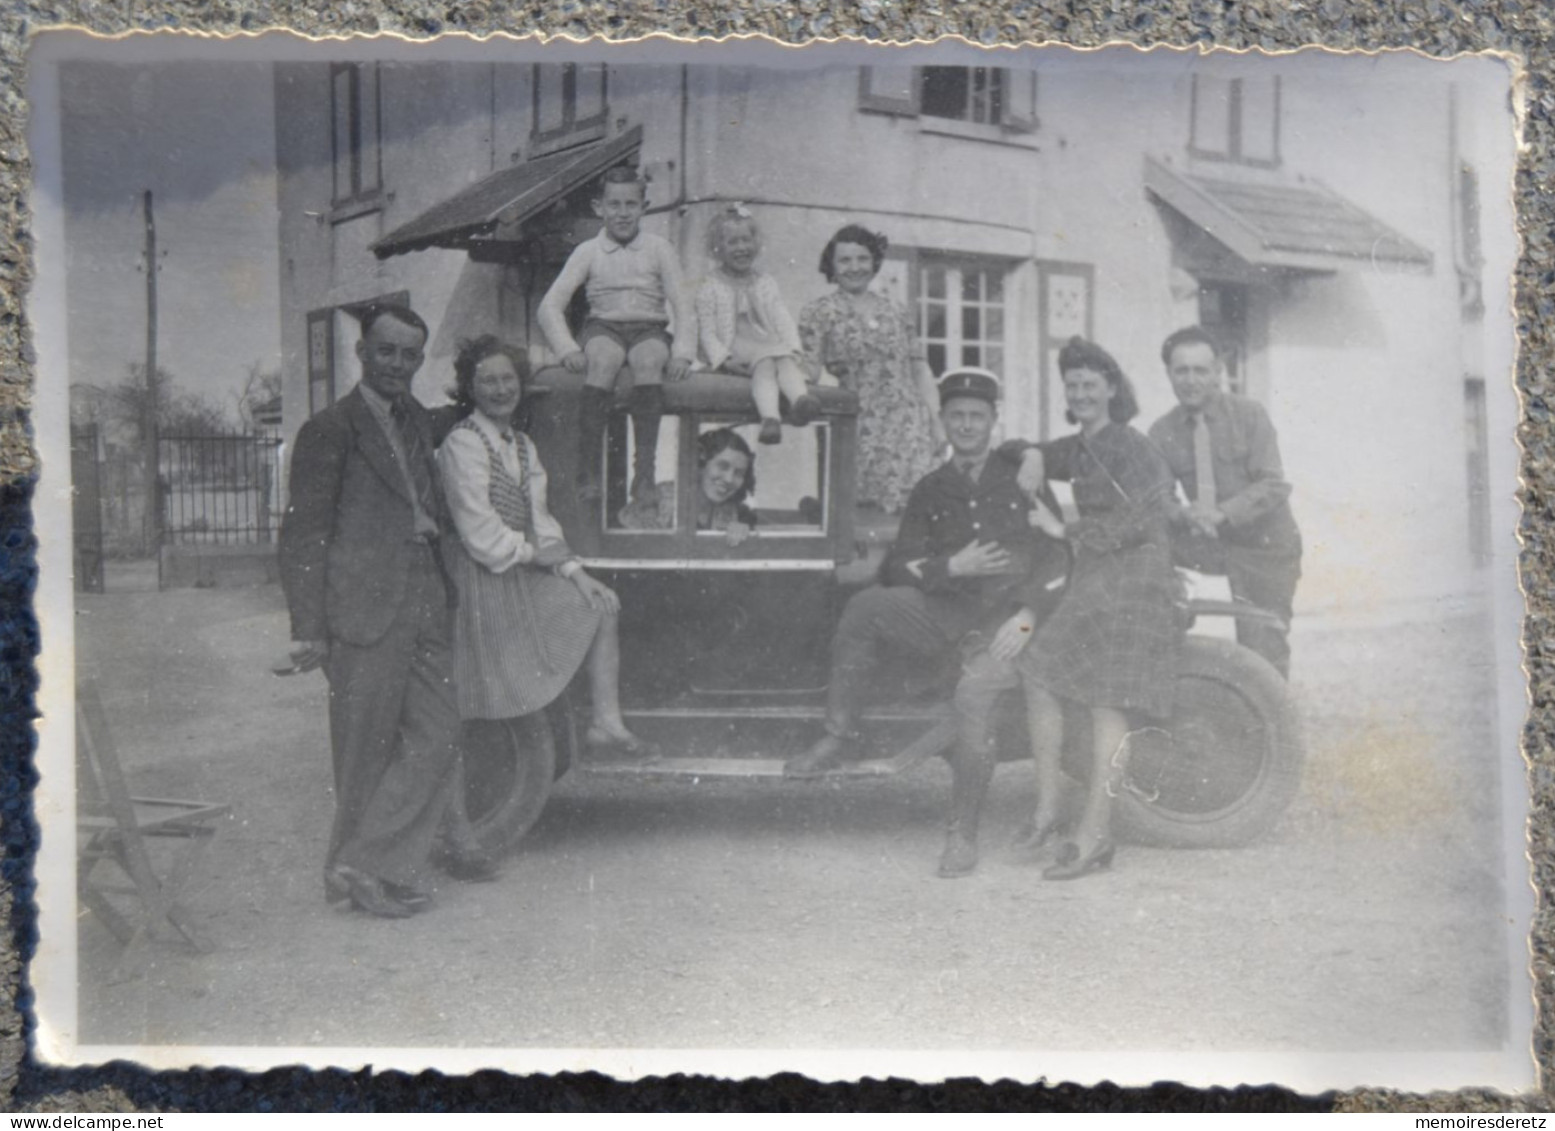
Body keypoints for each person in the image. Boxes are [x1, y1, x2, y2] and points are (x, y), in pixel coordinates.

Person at [785, 368, 1069, 879]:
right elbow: (899, 564)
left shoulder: (1021, 479)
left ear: (992, 420)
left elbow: (1058, 558)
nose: (966, 425)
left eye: (976, 416)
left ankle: (962, 833)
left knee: (975, 698)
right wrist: (951, 567)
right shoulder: (932, 488)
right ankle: (838, 733)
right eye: (956, 415)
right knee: (867, 607)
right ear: (943, 420)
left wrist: (1027, 617)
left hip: (1003, 626)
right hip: (946, 614)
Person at [279, 302, 491, 920]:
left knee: (439, 731)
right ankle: (368, 873)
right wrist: (309, 629)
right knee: (364, 748)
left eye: (409, 354)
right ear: (363, 353)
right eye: (386, 351)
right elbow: (304, 535)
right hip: (363, 608)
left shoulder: (420, 422)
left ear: (420, 359)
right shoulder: (330, 430)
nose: (397, 363)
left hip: (427, 592)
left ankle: (364, 861)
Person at [436, 335, 650, 757]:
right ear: (470, 389)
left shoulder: (521, 445)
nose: (501, 390)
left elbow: (541, 522)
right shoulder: (463, 443)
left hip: (515, 568)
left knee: (601, 605)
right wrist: (536, 555)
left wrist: (578, 574)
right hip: (479, 579)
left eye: (508, 379)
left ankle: (606, 722)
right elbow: (479, 534)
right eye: (488, 382)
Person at [1016, 337, 1181, 882]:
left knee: (1108, 704)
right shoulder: (1078, 447)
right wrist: (1034, 454)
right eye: (1073, 386)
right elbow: (1013, 449)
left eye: (1091, 385)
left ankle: (1095, 834)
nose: (1081, 393)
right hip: (1100, 577)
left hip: (1136, 578)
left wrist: (1067, 529)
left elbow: (1150, 514)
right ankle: (1046, 810)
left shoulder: (1131, 445)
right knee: (1039, 669)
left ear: (1112, 389)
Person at [1146, 326, 1302, 677]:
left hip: (1265, 548)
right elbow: (1159, 496)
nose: (1190, 380)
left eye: (1200, 370)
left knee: (1261, 647)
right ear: (1169, 373)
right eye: (1181, 370)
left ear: (1218, 371)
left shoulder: (1249, 415)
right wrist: (1184, 513)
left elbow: (1273, 483)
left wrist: (1221, 514)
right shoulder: (1162, 431)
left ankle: (1270, 727)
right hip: (1210, 544)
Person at [538, 165, 695, 504]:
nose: (622, 214)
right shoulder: (587, 252)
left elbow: (683, 305)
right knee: (604, 361)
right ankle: (589, 470)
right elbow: (549, 307)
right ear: (600, 208)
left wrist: (683, 352)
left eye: (630, 205)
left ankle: (645, 476)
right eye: (614, 205)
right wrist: (566, 349)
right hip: (604, 327)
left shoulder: (659, 248)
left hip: (649, 327)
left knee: (650, 361)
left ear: (644, 206)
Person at [798, 224, 944, 513]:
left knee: (917, 511)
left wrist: (937, 423)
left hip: (910, 428)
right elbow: (808, 371)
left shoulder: (897, 311)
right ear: (832, 265)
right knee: (858, 515)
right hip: (855, 428)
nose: (855, 267)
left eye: (862, 259)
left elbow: (919, 369)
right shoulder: (819, 312)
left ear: (874, 261)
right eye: (845, 260)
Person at [694, 205, 822, 445]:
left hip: (765, 341)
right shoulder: (709, 285)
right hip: (734, 347)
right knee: (765, 362)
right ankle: (770, 418)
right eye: (733, 243)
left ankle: (800, 401)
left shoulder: (765, 282)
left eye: (746, 240)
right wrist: (723, 358)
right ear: (718, 249)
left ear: (756, 243)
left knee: (784, 359)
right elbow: (707, 331)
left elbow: (780, 317)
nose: (742, 248)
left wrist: (795, 349)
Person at [617, 426, 759, 547]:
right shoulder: (658, 500)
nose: (729, 479)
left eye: (739, 473)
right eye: (722, 466)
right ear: (701, 464)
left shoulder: (740, 514)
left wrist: (745, 532)